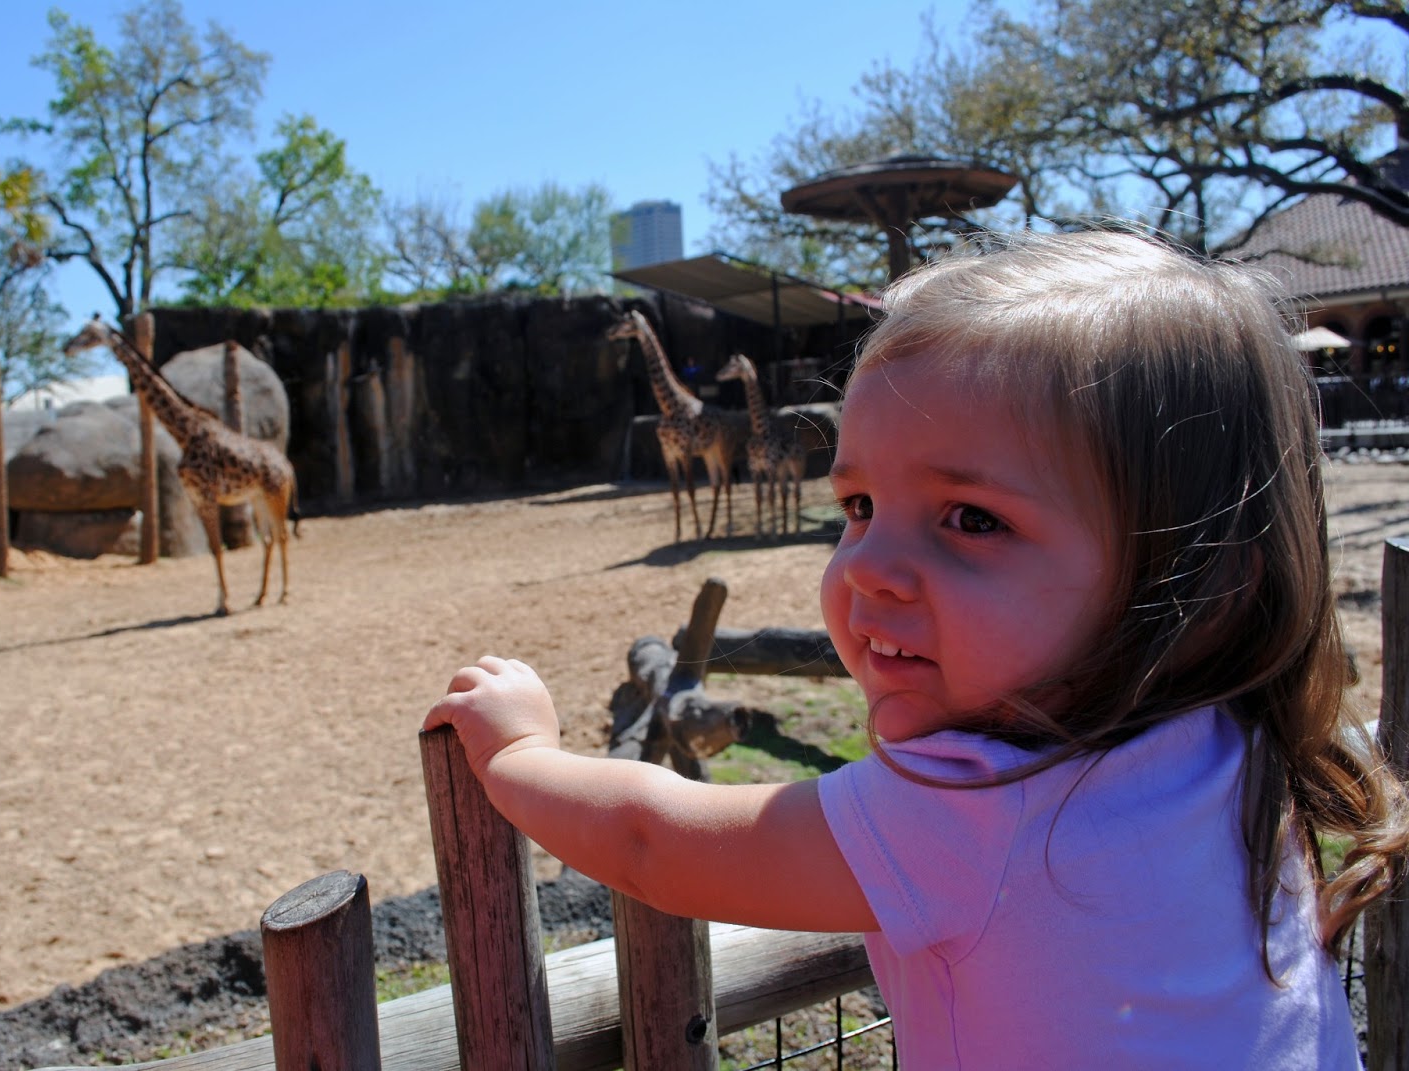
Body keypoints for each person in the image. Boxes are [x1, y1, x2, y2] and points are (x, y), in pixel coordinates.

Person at [424, 229, 1408, 1069]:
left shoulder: (981, 810)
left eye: (971, 518)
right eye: (857, 506)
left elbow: (653, 842)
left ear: (1194, 587)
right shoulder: (1232, 753)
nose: (867, 566)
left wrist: (520, 757)